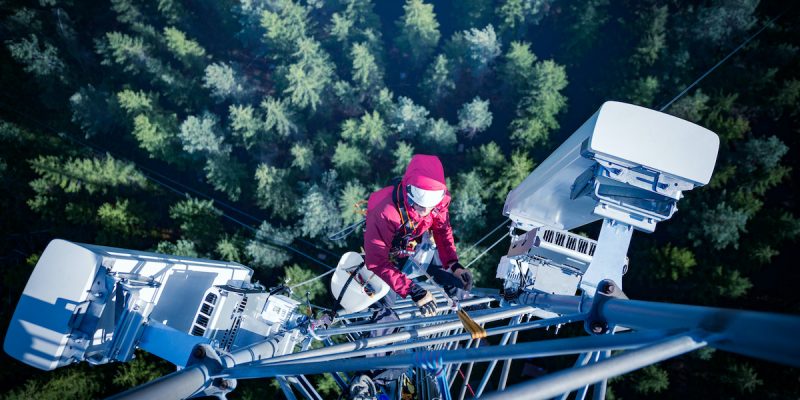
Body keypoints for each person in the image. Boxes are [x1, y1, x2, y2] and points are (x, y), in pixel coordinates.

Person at [363, 154, 473, 317]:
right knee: (386, 302)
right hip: (388, 254)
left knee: (455, 282)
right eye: (420, 205)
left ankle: (467, 308)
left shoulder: (439, 201)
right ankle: (385, 327)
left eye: (430, 206)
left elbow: (442, 231)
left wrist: (453, 265)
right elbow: (377, 261)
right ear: (409, 192)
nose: (425, 210)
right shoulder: (385, 213)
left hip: (415, 245)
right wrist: (413, 290)